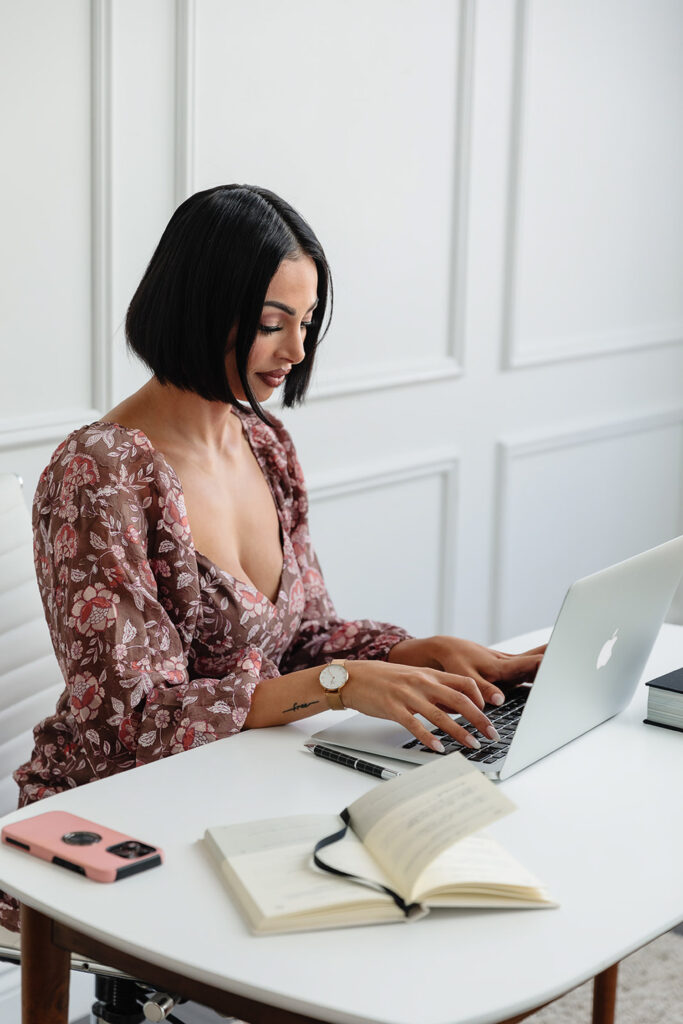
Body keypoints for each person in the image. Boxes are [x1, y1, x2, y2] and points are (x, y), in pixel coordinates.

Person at [0, 185, 543, 930]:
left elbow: (304, 637)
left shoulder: (264, 444)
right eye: (269, 324)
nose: (295, 351)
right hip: (117, 815)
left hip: (241, 782)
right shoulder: (101, 471)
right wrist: (339, 684)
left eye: (307, 323)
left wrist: (423, 652)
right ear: (198, 306)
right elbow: (130, 721)